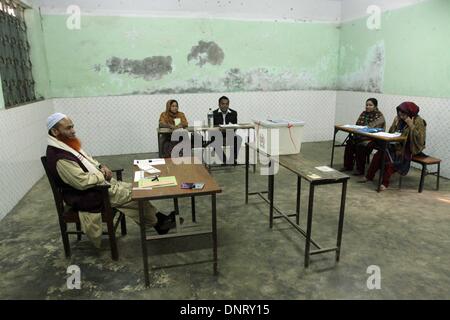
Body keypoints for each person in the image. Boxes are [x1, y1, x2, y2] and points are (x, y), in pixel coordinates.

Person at [45, 113, 176, 247]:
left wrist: (101, 166)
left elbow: (89, 160)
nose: (73, 131)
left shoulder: (66, 145)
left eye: (72, 127)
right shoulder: (60, 156)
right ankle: (159, 222)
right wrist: (101, 175)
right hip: (88, 196)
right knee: (137, 195)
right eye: (68, 128)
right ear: (55, 132)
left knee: (137, 188)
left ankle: (159, 221)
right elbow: (81, 182)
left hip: (98, 186)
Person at [361, 101, 426, 191]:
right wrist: (395, 124)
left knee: (390, 160)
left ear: (409, 112)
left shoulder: (418, 121)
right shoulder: (398, 119)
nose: (400, 114)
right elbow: (391, 133)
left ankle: (384, 183)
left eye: (403, 112)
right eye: (399, 112)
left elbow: (420, 139)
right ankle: (369, 176)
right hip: (394, 145)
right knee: (378, 155)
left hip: (407, 148)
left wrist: (411, 125)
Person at [342, 98, 386, 175]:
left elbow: (374, 129)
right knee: (349, 143)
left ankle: (360, 170)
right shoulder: (363, 113)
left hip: (372, 139)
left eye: (370, 105)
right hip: (360, 136)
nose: (368, 107)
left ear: (375, 106)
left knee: (361, 146)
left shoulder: (379, 116)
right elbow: (357, 124)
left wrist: (363, 130)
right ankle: (348, 166)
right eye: (367, 105)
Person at [212, 96, 242, 164]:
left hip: (229, 134)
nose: (225, 106)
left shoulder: (234, 113)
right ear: (219, 104)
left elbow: (235, 127)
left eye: (226, 104)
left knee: (238, 138)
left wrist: (227, 135)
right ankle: (224, 160)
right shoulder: (213, 114)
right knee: (214, 140)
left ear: (228, 104)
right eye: (223, 104)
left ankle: (233, 159)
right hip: (218, 135)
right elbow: (212, 128)